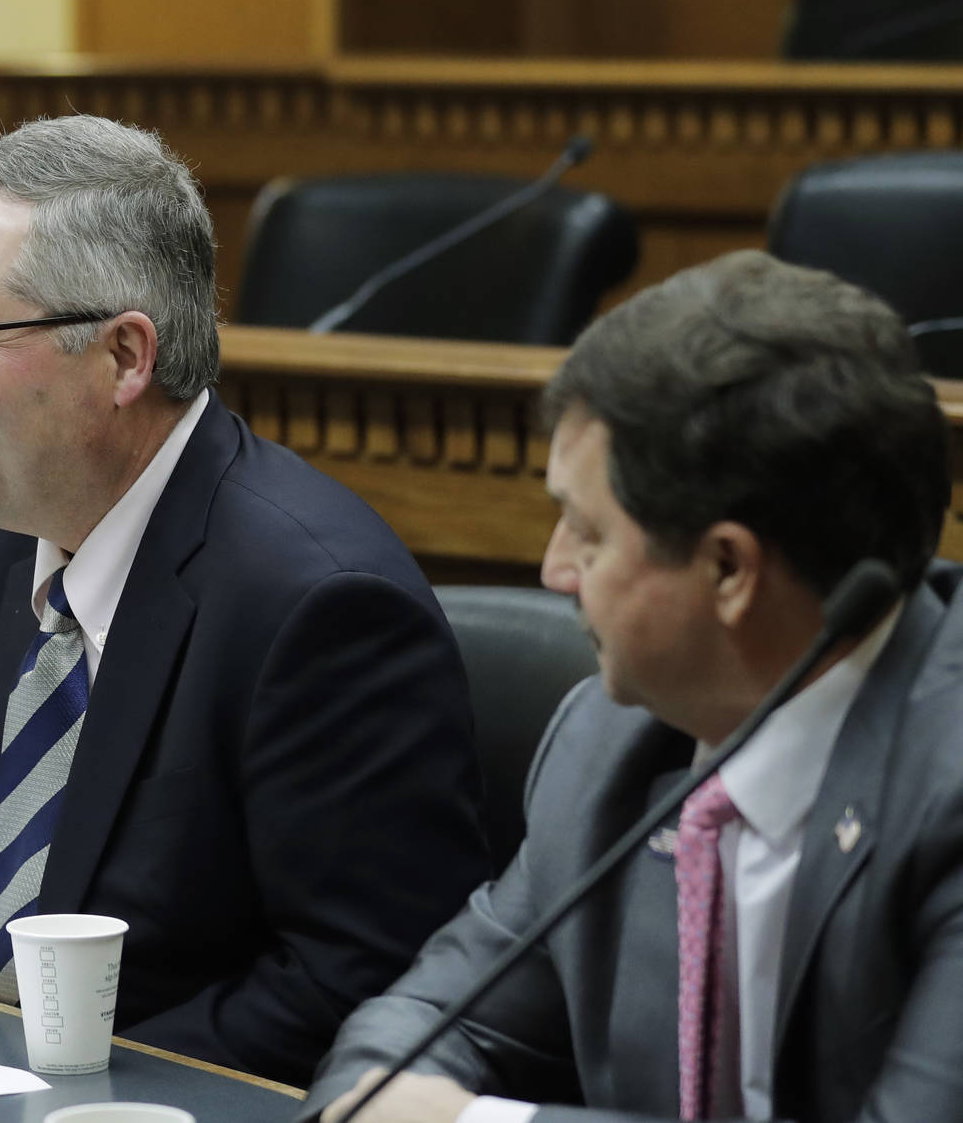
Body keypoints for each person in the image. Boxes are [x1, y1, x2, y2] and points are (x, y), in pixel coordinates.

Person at [0, 115, 490, 1083]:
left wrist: (63, 1087)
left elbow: (358, 978)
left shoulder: (319, 608)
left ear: (125, 356)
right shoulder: (3, 541)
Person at [305, 250, 961, 1123]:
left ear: (728, 568)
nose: (554, 569)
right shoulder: (607, 743)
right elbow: (424, 1021)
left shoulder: (946, 785)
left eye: (586, 532)